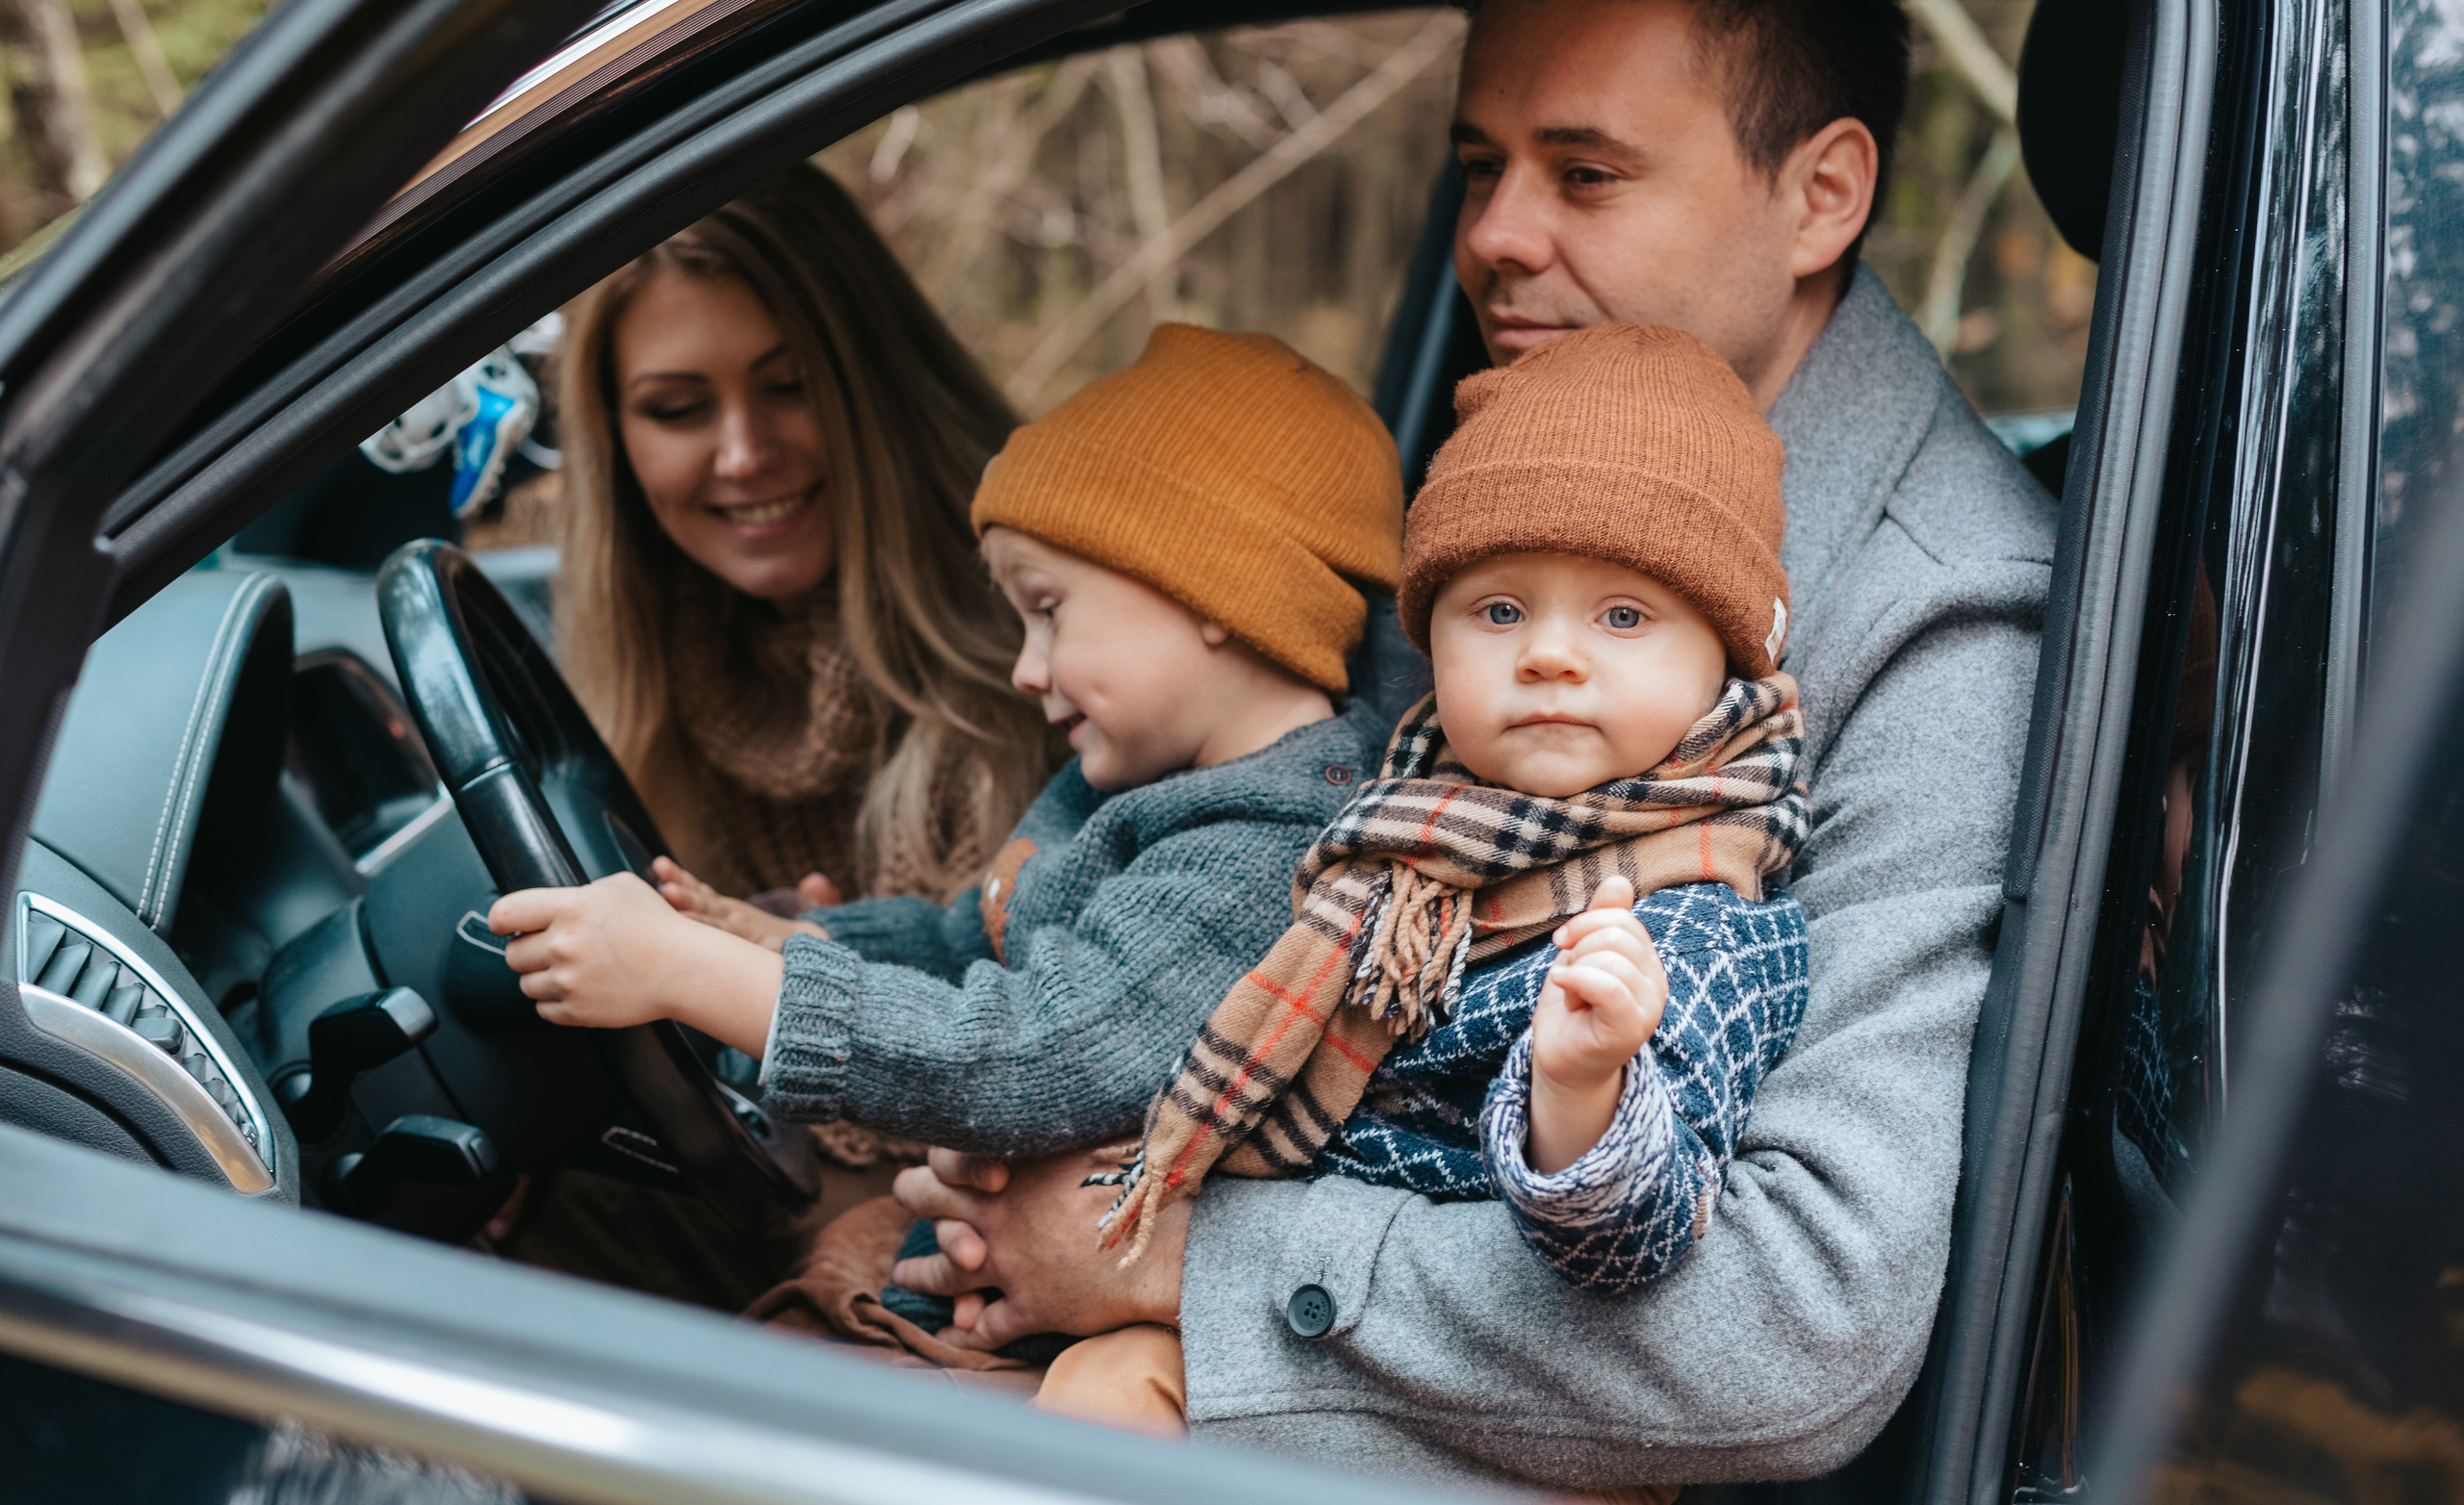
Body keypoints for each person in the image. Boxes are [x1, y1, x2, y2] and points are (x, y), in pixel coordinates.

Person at [886, 0, 2064, 1492]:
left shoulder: (1944, 614)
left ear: (1823, 196)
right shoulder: (1510, 449)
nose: (1498, 234)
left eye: (1585, 172)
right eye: (1479, 168)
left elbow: (1800, 1325)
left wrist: (1184, 1260)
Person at [1030, 323, 1817, 1438]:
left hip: (1503, 1417)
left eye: (1624, 615)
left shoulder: (1690, 913)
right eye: (1498, 611)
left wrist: (1583, 1088)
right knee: (1077, 1397)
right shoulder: (1399, 841)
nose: (1547, 653)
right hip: (1307, 1352)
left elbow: (1630, 1242)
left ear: (1729, 661)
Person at [491, 323, 1403, 1185]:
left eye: (1047, 610)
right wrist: (791, 942)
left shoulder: (1270, 853)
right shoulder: (1152, 781)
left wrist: (698, 976)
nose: (1022, 668)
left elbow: (1040, 1052)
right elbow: (972, 943)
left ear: (1219, 590)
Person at [554, 162, 1053, 913]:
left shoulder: (1046, 657)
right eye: (679, 408)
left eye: (791, 385)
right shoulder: (629, 701)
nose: (744, 453)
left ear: (879, 383)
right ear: (613, 441)